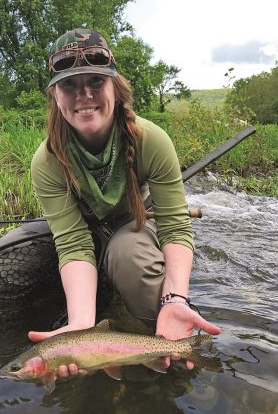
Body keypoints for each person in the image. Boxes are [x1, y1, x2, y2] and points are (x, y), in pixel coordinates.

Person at [28, 28, 221, 377]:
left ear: (115, 87)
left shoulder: (151, 140)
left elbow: (176, 227)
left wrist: (175, 298)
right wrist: (82, 329)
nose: (84, 95)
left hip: (134, 229)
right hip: (86, 234)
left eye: (95, 82)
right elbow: (72, 243)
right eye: (70, 85)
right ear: (54, 94)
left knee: (127, 251)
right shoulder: (46, 162)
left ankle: (167, 337)